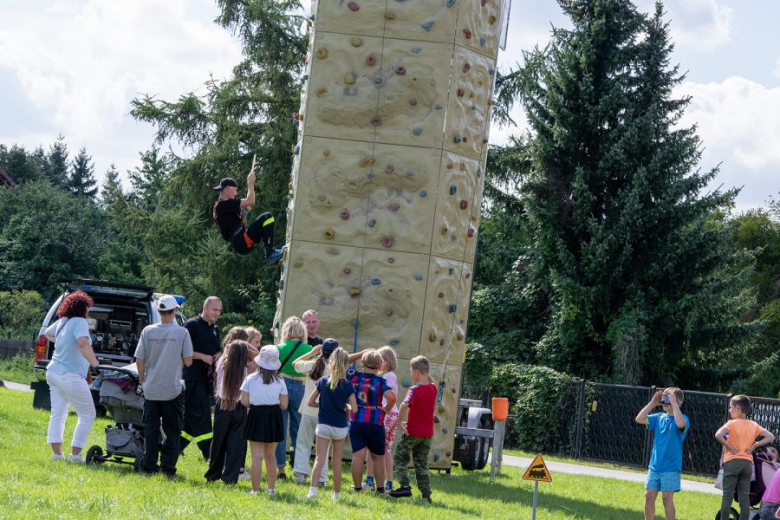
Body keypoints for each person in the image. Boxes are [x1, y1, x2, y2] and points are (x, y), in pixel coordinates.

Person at [135, 295, 194, 477]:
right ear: (174, 311)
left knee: (151, 429)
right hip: (172, 389)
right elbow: (189, 361)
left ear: (159, 311)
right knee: (172, 430)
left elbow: (139, 359)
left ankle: (149, 466)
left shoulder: (147, 331)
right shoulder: (182, 332)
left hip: (151, 388)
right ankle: (168, 469)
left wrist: (143, 379)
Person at [292, 339, 365, 485]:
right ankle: (322, 477)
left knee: (303, 443)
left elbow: (295, 364)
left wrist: (312, 352)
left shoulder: (312, 365)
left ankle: (300, 474)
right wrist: (362, 353)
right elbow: (346, 359)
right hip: (326, 414)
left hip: (308, 410)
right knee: (323, 450)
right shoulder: (335, 369)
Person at [44, 290, 100, 463]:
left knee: (58, 414)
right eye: (88, 307)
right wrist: (96, 365)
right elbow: (83, 343)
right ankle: (75, 456)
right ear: (83, 308)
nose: (89, 311)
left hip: (53, 372)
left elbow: (47, 333)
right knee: (88, 414)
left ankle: (57, 455)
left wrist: (64, 342)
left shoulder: (63, 321)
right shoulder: (80, 322)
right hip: (69, 375)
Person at [305, 347, 358, 500]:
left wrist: (322, 405)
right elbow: (354, 409)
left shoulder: (323, 381)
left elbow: (310, 402)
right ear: (347, 365)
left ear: (331, 362)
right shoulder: (348, 385)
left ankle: (312, 492)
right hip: (340, 427)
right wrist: (345, 406)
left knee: (319, 459)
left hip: (323, 425)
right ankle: (337, 494)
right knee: (336, 461)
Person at [212, 155, 283, 263]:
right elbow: (251, 201)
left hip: (241, 243)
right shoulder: (222, 205)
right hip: (242, 241)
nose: (236, 194)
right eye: (235, 190)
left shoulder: (223, 206)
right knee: (267, 217)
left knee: (264, 224)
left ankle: (273, 256)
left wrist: (244, 212)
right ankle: (270, 254)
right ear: (228, 189)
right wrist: (250, 183)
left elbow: (243, 214)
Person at [715, 395, 776, 520]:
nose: (729, 410)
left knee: (727, 496)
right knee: (744, 498)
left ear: (737, 408)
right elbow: (771, 436)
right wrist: (755, 445)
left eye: (731, 407)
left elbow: (718, 435)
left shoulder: (731, 423)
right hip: (748, 464)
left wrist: (729, 447)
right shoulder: (753, 425)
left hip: (732, 462)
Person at [634, 388, 690, 520]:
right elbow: (639, 419)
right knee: (649, 496)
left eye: (668, 399)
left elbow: (680, 424)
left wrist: (674, 404)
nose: (664, 402)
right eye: (663, 399)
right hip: (655, 466)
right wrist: (653, 403)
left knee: (666, 498)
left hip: (671, 467)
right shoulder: (659, 417)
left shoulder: (683, 419)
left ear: (678, 403)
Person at [241, 345, 289, 497]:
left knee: (257, 456)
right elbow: (284, 405)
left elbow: (244, 401)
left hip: (256, 414)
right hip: (274, 416)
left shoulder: (250, 379)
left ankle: (255, 490)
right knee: (271, 455)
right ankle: (271, 489)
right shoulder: (280, 381)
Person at [348, 349, 396, 494]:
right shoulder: (380, 382)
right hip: (375, 422)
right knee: (378, 457)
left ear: (362, 363)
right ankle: (380, 489)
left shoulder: (354, 376)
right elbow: (392, 397)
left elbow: (343, 361)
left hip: (356, 421)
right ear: (380, 365)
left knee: (358, 456)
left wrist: (360, 353)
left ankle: (357, 488)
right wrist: (385, 410)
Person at [389, 356, 436, 503]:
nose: (411, 374)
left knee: (400, 458)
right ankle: (426, 496)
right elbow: (431, 381)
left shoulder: (414, 390)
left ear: (416, 372)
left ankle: (404, 486)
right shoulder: (433, 388)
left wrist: (399, 422)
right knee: (421, 464)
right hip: (427, 434)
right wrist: (425, 374)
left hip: (412, 432)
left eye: (412, 371)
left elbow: (404, 404)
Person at [206, 338, 252, 484]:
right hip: (240, 407)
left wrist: (231, 346)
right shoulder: (247, 369)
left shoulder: (222, 365)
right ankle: (230, 477)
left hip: (223, 405)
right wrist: (246, 346)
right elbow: (259, 357)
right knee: (236, 444)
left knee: (218, 442)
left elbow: (225, 353)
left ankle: (213, 474)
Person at [182, 296, 223, 459]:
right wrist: (202, 356)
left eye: (219, 310)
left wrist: (218, 354)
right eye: (215, 309)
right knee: (202, 417)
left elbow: (216, 349)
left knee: (190, 421)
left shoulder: (215, 328)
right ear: (204, 308)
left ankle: (171, 448)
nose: (217, 313)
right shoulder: (191, 325)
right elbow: (181, 351)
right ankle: (210, 454)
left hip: (206, 380)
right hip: (192, 378)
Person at [274, 316, 312, 480]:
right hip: (300, 387)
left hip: (281, 386)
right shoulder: (308, 348)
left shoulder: (279, 348)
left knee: (280, 430)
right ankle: (298, 467)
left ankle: (280, 469)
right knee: (298, 430)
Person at [364, 346, 400, 491]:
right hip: (392, 414)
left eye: (380, 360)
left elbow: (389, 397)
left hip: (386, 414)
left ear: (386, 361)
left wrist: (383, 409)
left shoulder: (387, 377)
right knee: (385, 450)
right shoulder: (391, 375)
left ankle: (370, 480)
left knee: (372, 448)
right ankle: (388, 483)